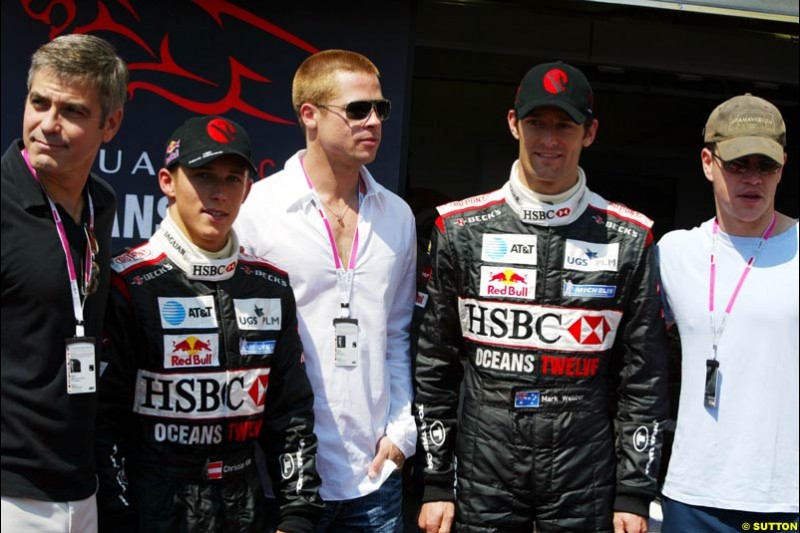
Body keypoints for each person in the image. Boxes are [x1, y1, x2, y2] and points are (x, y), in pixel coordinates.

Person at [414, 61, 670, 533]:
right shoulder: (459, 229)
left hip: (585, 467)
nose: (549, 140)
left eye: (564, 125)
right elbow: (436, 364)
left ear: (589, 133)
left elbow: (644, 377)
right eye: (536, 123)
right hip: (482, 463)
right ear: (514, 123)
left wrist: (635, 491)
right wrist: (434, 480)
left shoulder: (629, 237)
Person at [95, 115, 322, 533]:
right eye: (202, 176)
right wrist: (118, 511)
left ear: (248, 189)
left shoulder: (269, 286)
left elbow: (289, 412)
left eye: (233, 179)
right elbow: (101, 422)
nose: (218, 193)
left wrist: (299, 513)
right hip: (152, 503)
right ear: (167, 181)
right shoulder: (128, 283)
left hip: (245, 505)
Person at [235, 50, 417, 532]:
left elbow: (396, 334)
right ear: (309, 115)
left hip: (375, 477)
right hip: (283, 478)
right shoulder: (256, 208)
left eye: (382, 109)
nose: (374, 121)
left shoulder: (397, 215)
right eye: (358, 110)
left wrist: (402, 433)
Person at [1, 34, 126, 532]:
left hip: (81, 485)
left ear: (110, 124)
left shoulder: (102, 202)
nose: (47, 125)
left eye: (71, 111)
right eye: (38, 103)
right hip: (9, 491)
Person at [657, 95, 799, 532]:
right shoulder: (672, 253)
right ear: (707, 162)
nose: (752, 179)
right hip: (691, 496)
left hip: (785, 498)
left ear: (782, 166)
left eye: (766, 165)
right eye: (738, 164)